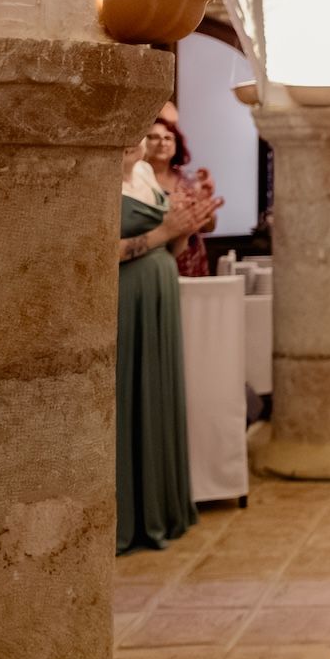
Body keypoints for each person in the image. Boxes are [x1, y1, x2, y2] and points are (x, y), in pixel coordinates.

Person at [116, 122, 221, 553]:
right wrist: (164, 231)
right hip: (126, 299)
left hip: (160, 293)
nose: (141, 141)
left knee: (157, 394)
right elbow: (94, 251)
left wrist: (183, 228)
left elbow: (172, 248)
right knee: (126, 396)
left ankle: (159, 507)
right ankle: (127, 515)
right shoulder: (97, 177)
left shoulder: (142, 174)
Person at [142, 116, 217, 277]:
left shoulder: (190, 180)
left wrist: (206, 205)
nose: (162, 143)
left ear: (176, 144)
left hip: (191, 256)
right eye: (154, 137)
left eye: (168, 138)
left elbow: (209, 227)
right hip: (153, 256)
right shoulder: (136, 180)